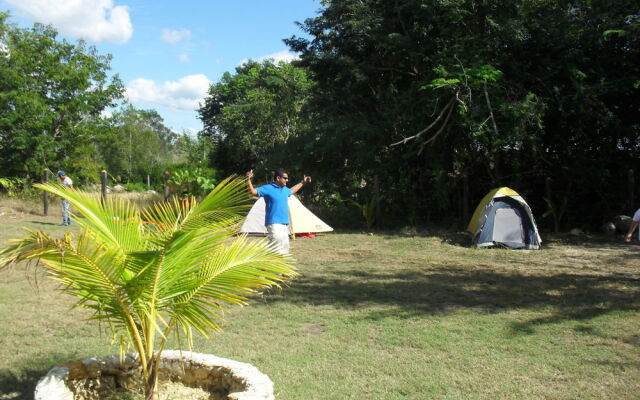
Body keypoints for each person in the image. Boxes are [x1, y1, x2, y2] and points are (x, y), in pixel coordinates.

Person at [246, 168, 312, 254]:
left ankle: (271, 265)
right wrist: (248, 180)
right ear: (278, 178)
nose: (287, 180)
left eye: (287, 178)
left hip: (284, 224)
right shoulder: (268, 188)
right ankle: (265, 263)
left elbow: (292, 190)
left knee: (284, 249)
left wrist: (303, 182)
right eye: (285, 178)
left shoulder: (285, 189)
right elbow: (253, 192)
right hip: (274, 223)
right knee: (276, 247)